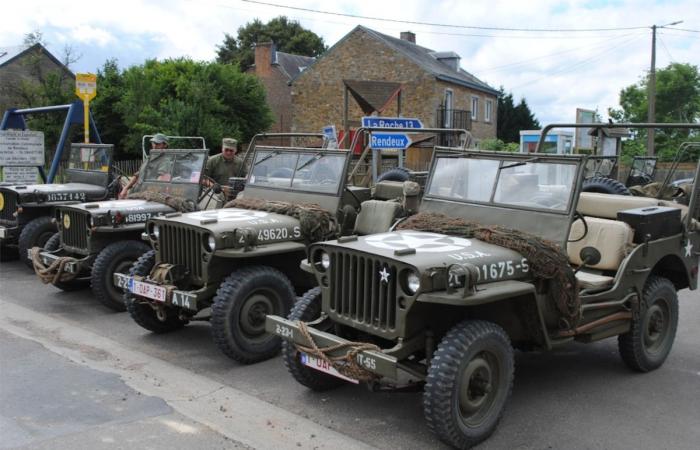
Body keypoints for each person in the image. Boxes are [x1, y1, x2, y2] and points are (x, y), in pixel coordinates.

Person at [119, 133, 168, 199]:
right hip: (136, 191)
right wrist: (125, 189)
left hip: (148, 195)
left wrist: (152, 194)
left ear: (165, 145)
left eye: (158, 144)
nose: (155, 146)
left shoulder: (165, 160)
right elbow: (137, 175)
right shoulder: (149, 158)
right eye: (154, 143)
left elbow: (161, 179)